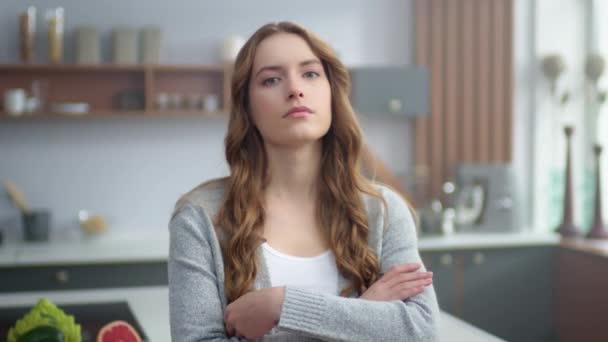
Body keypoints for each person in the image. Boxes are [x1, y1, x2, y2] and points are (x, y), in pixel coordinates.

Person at [168, 21, 440, 341]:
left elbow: (421, 331)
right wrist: (364, 311)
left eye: (310, 74)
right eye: (271, 79)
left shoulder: (385, 211)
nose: (295, 89)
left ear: (331, 93)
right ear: (247, 107)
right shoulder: (200, 218)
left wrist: (283, 306)